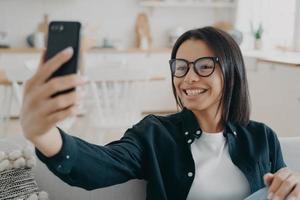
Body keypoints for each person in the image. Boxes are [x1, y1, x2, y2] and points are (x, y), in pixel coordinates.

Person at [20, 27, 300, 200]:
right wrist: (44, 134)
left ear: (232, 72)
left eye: (203, 66)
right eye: (180, 67)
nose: (188, 78)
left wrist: (293, 187)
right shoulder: (154, 134)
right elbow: (98, 166)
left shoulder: (262, 137)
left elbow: (282, 190)